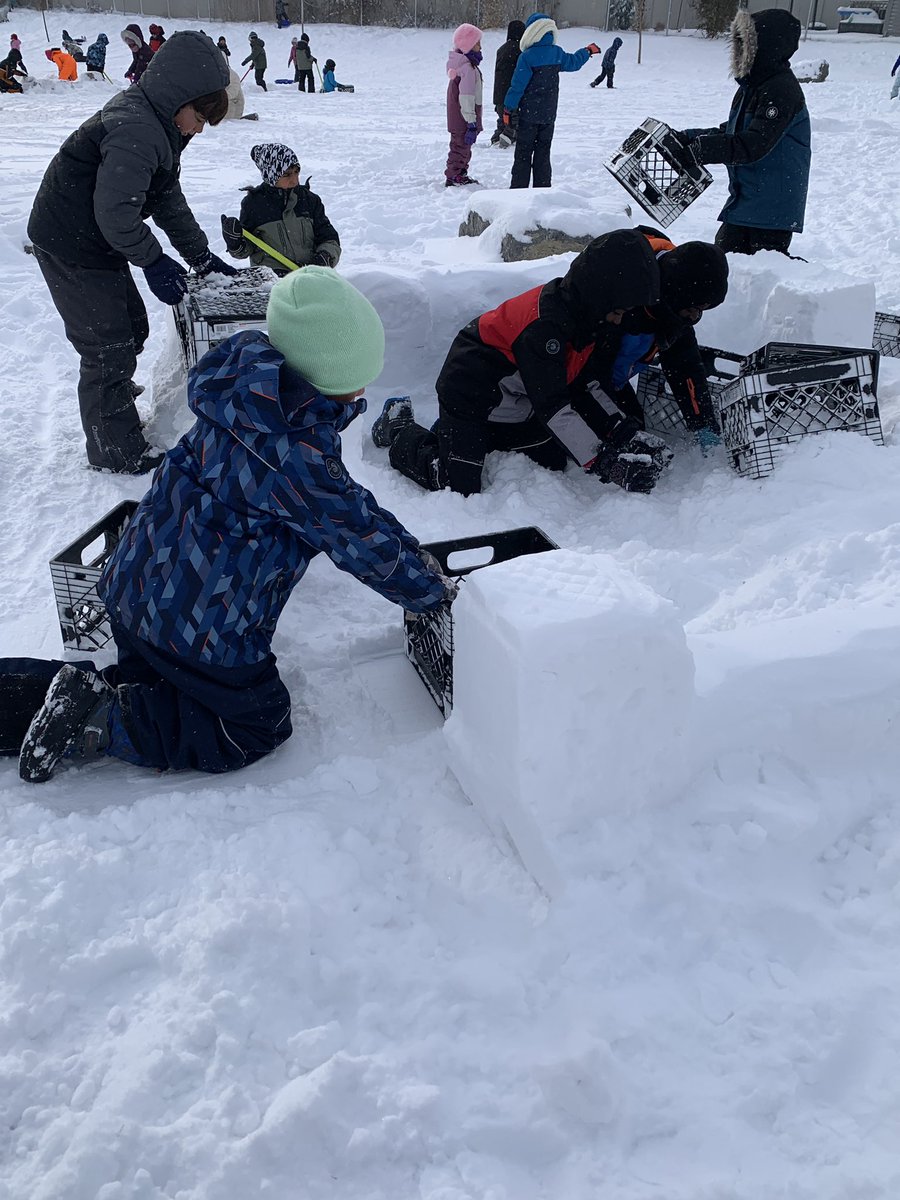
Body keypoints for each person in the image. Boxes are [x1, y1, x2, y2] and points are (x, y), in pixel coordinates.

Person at [8, 269, 454, 784]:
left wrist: (410, 548)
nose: (365, 384)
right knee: (252, 725)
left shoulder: (245, 398)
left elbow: (349, 506)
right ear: (324, 371)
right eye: (360, 371)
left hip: (133, 589)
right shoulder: (295, 452)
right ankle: (100, 721)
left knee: (157, 688)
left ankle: (46, 699)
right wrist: (429, 590)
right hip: (197, 625)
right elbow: (355, 534)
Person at [371, 228, 729, 497]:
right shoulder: (548, 330)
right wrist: (607, 463)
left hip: (518, 399)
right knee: (454, 483)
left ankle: (462, 438)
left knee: (555, 458)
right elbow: (556, 406)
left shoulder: (590, 317)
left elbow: (587, 385)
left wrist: (624, 433)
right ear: (604, 299)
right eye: (619, 312)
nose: (621, 321)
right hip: (472, 394)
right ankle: (400, 427)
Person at [27, 32, 234, 475]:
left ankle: (113, 398)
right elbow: (116, 213)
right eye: (199, 116)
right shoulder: (137, 128)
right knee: (107, 345)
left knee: (131, 327)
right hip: (71, 242)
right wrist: (155, 261)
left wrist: (200, 257)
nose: (199, 128)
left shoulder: (159, 125)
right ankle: (115, 450)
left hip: (97, 238)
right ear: (179, 95)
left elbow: (165, 199)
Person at [676, 9, 811, 256]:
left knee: (756, 280)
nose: (740, 51)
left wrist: (702, 151)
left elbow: (754, 144)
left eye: (746, 44)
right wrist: (690, 137)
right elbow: (732, 131)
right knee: (723, 267)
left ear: (767, 46)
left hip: (771, 210)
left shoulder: (781, 90)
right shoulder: (753, 86)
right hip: (747, 202)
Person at [502, 13, 599, 189]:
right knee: (543, 154)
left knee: (523, 154)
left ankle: (518, 191)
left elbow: (517, 86)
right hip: (548, 116)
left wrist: (508, 108)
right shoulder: (557, 53)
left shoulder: (527, 57)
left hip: (528, 117)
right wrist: (587, 51)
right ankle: (542, 189)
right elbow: (574, 62)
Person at [220, 143, 341, 274]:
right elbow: (247, 249)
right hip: (273, 282)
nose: (294, 180)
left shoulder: (309, 200)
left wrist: (324, 257)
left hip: (309, 277)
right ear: (271, 175)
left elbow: (329, 237)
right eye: (287, 175)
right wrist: (235, 243)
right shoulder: (253, 204)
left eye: (296, 172)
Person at [445, 22, 483, 188]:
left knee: (464, 146)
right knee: (460, 145)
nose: (480, 46)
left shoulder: (464, 64)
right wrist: (471, 121)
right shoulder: (467, 67)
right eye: (477, 42)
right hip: (463, 115)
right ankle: (454, 176)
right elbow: (466, 96)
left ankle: (460, 173)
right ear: (468, 45)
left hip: (461, 115)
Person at [490, 19, 524, 146]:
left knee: (502, 117)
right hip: (512, 93)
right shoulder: (521, 51)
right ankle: (508, 136)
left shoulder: (501, 49)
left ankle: (497, 136)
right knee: (513, 119)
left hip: (499, 93)